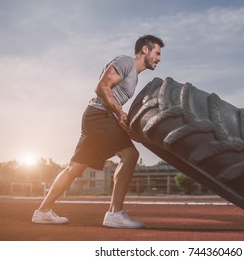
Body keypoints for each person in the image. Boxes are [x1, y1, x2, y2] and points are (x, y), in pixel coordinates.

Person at [32, 35, 164, 228]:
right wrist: (120, 113)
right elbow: (101, 87)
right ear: (145, 49)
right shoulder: (125, 61)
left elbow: (114, 101)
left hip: (97, 117)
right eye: (157, 53)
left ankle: (42, 212)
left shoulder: (134, 77)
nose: (159, 58)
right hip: (98, 116)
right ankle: (115, 214)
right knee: (130, 156)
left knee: (74, 169)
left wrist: (124, 123)